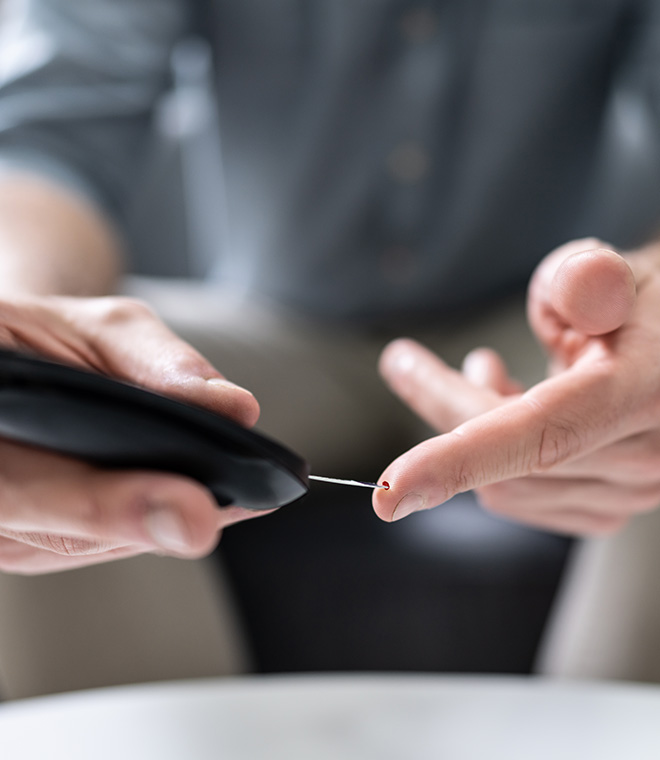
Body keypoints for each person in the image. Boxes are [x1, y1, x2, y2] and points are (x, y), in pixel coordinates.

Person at [0, 0, 659, 691]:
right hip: (271, 331)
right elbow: (54, 130)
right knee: (65, 401)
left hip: (530, 339)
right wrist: (28, 341)